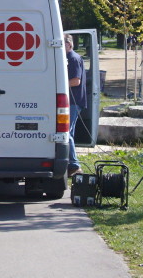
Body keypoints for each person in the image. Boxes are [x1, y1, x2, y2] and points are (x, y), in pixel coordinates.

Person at [65, 34, 87, 177]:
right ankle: (70, 163)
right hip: (73, 101)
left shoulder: (73, 59)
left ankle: (74, 165)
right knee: (69, 132)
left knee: (67, 132)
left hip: (74, 101)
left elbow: (75, 81)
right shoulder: (70, 58)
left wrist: (58, 85)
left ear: (69, 44)